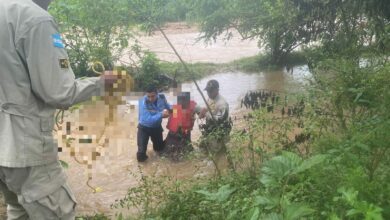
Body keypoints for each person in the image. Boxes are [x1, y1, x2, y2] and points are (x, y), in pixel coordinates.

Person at [0, 0, 116, 219]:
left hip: (5, 151)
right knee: (59, 212)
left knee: (18, 209)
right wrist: (102, 84)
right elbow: (60, 92)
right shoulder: (36, 18)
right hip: (25, 148)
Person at [137, 86, 171, 162]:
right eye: (148, 96)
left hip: (156, 127)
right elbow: (147, 119)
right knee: (141, 155)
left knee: (159, 150)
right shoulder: (142, 101)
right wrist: (161, 115)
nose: (150, 99)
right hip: (144, 128)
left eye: (153, 96)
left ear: (157, 94)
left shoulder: (162, 97)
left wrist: (175, 112)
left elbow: (168, 106)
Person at [196, 79, 231, 152]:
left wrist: (206, 114)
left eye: (211, 91)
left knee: (217, 153)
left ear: (217, 90)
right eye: (208, 91)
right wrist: (203, 111)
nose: (209, 93)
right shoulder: (211, 98)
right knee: (201, 149)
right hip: (210, 129)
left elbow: (221, 120)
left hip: (219, 132)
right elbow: (208, 109)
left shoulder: (222, 104)